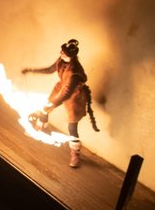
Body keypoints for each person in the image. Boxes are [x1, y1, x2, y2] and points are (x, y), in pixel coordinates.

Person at [22, 39, 100, 168]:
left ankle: (75, 153)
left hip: (75, 95)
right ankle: (41, 127)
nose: (60, 53)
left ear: (71, 55)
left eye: (63, 52)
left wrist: (51, 103)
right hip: (62, 87)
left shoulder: (74, 72)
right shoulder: (62, 60)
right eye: (61, 51)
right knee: (45, 108)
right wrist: (31, 70)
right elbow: (50, 69)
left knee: (72, 127)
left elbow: (66, 94)